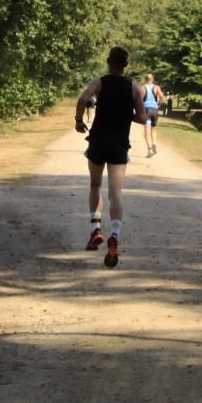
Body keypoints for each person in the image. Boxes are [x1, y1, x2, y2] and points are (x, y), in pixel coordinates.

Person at [75, 47, 147, 268]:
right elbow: (143, 118)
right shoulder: (134, 88)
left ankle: (96, 230)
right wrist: (127, 114)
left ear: (108, 61)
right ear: (126, 64)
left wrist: (79, 120)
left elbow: (82, 98)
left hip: (98, 140)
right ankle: (114, 233)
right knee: (115, 192)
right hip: (118, 143)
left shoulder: (99, 82)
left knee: (95, 185)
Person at [141, 73, 166, 157]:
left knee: (146, 131)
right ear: (152, 80)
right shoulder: (156, 87)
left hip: (147, 110)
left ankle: (149, 150)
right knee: (154, 128)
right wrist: (159, 103)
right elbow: (162, 97)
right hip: (155, 109)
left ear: (145, 79)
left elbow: (140, 100)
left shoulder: (143, 88)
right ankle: (154, 143)